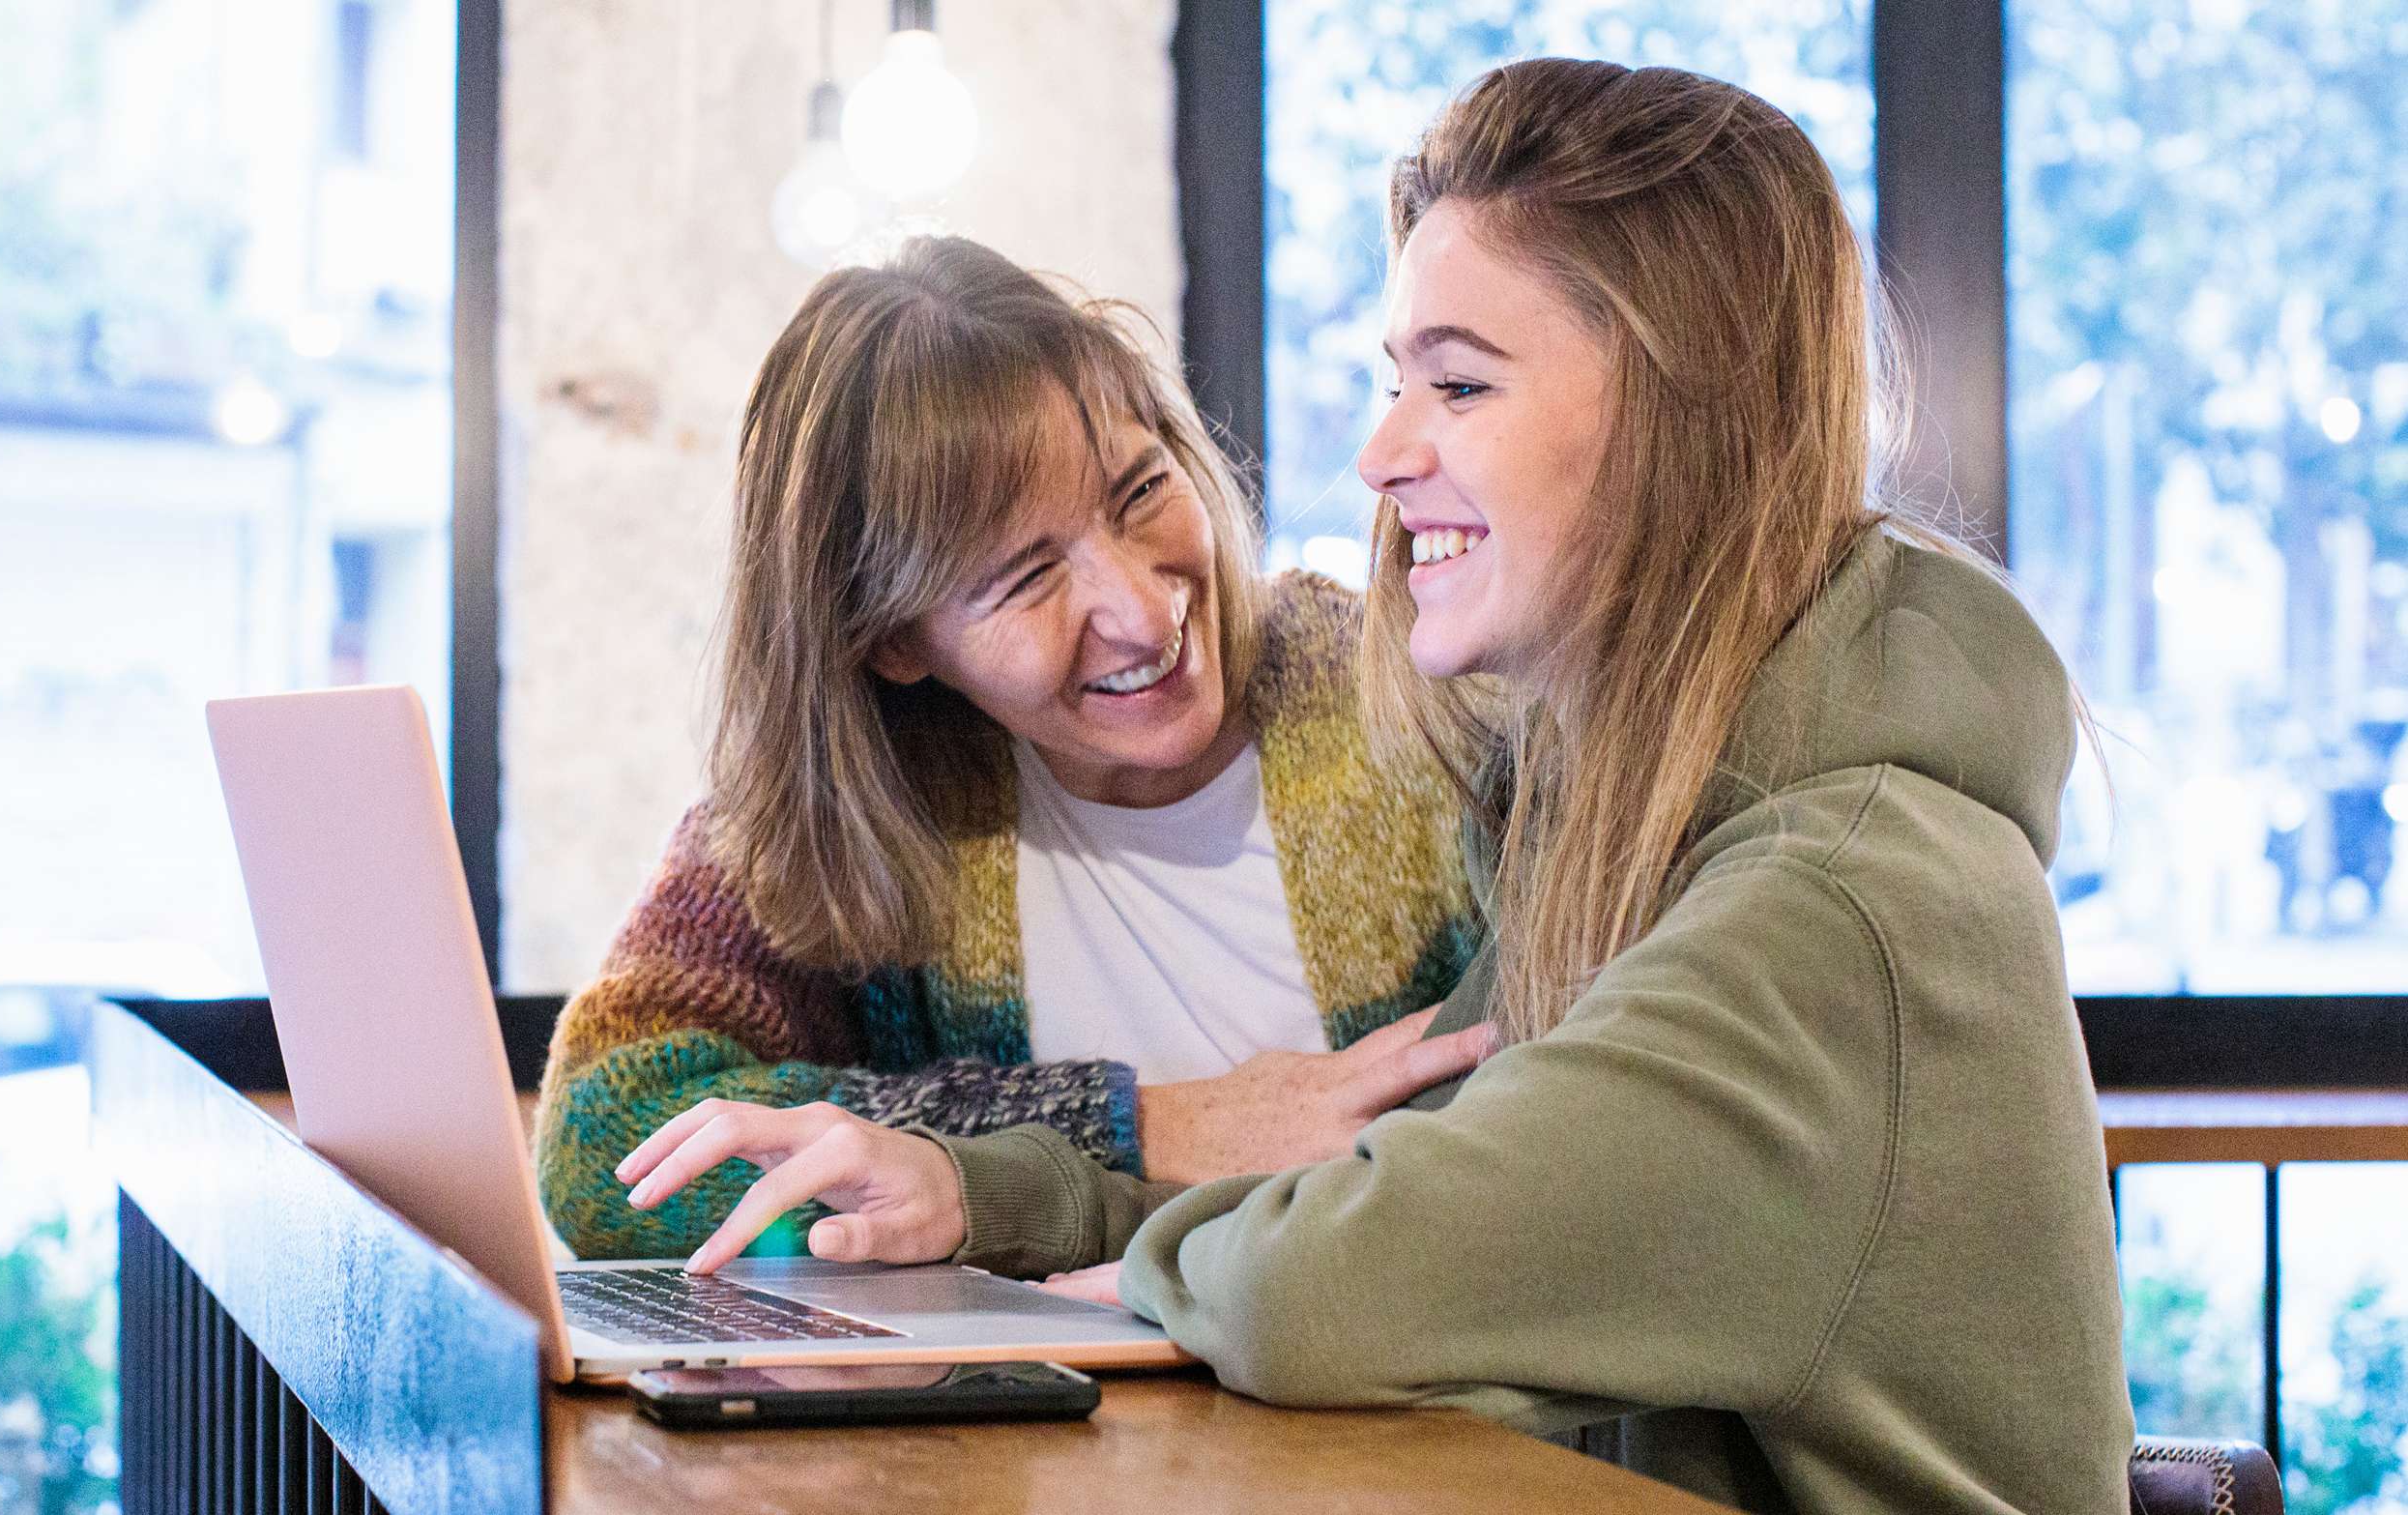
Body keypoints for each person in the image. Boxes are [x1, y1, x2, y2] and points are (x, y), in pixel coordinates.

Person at [619, 60, 2135, 1514]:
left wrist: (1101, 1180)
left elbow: (1325, 1279)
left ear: (1691, 422)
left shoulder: (1826, 906)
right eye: (1394, 380)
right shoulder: (1626, 833)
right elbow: (1388, 1198)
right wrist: (1040, 1188)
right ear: (892, 644)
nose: (1378, 452)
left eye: (1458, 384)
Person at [537, 237, 1494, 1262]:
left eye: (1138, 493)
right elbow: (606, 1143)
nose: (1140, 608)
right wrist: (1148, 1126)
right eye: (1027, 577)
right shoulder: (868, 800)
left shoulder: (1416, 699)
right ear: (894, 641)